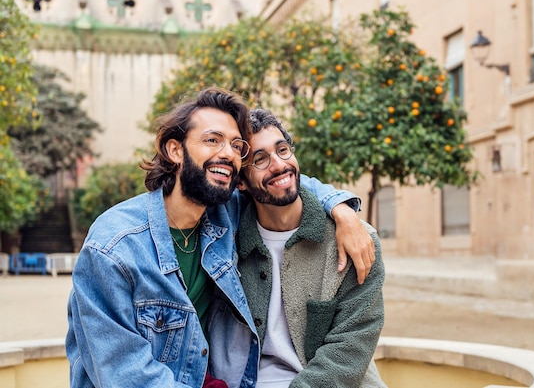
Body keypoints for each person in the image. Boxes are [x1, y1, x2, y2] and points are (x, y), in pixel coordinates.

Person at [65, 87, 375, 388]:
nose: (227, 153)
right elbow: (123, 373)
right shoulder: (113, 248)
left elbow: (282, 179)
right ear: (175, 150)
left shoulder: (222, 214)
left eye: (236, 146)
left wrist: (342, 209)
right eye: (212, 140)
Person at [236, 108, 386, 388]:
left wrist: (343, 211)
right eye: (260, 159)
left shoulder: (357, 242)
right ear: (241, 182)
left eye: (283, 150)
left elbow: (350, 346)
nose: (279, 165)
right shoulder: (224, 241)